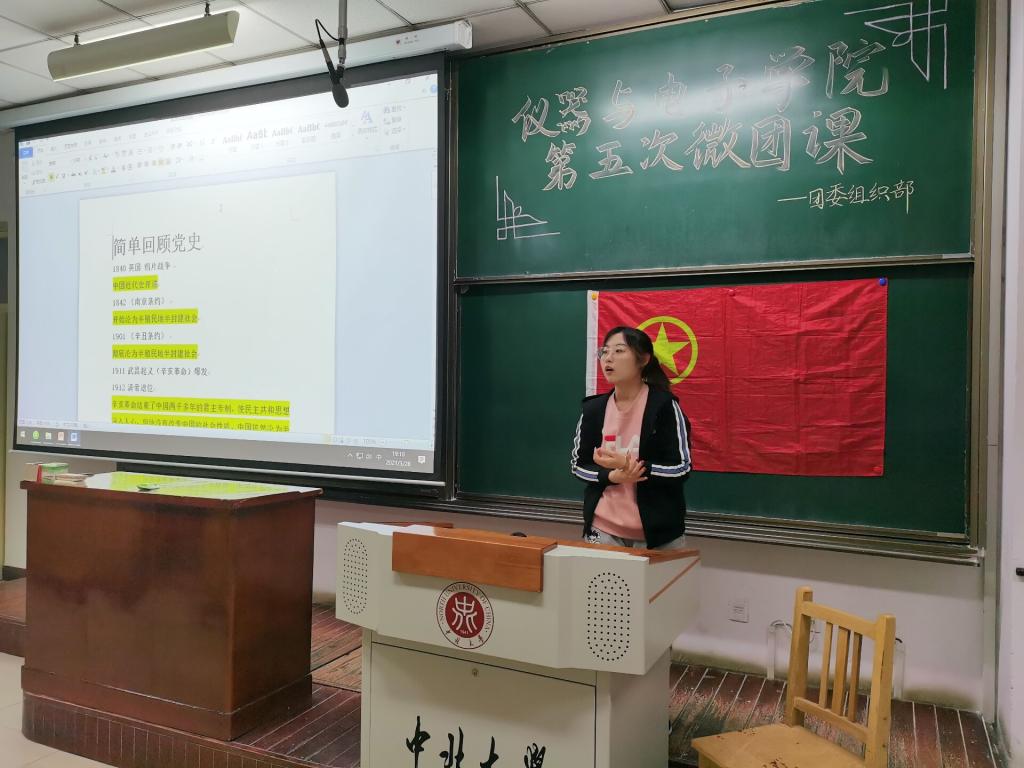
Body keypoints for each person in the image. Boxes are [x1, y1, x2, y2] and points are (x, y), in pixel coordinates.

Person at [570, 326, 692, 549]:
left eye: (619, 351)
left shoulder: (664, 406)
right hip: (602, 528)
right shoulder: (593, 409)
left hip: (659, 534)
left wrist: (631, 466)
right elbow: (579, 466)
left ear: (643, 359)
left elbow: (681, 468)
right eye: (604, 351)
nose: (608, 358)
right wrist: (612, 476)